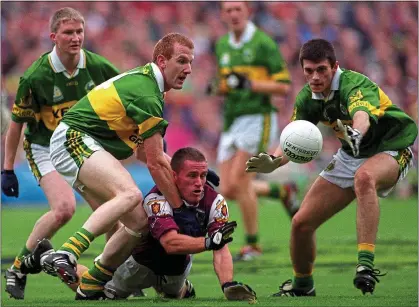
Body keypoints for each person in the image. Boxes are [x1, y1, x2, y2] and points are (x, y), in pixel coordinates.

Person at [245, 38, 418, 296]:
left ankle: (365, 265)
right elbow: (293, 139)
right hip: (350, 154)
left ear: (334, 66)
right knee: (301, 224)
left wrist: (357, 132)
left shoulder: (354, 84)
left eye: (321, 70)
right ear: (302, 69)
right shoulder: (307, 98)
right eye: (308, 71)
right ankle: (303, 285)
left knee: (364, 178)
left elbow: (361, 116)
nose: (315, 77)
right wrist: (275, 161)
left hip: (391, 147)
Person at [37, 32, 197, 299]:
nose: (188, 69)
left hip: (83, 143)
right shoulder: (148, 94)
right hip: (74, 138)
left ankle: (90, 283)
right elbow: (155, 163)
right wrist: (182, 210)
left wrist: (186, 174)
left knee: (138, 222)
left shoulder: (148, 86)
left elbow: (146, 155)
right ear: (162, 60)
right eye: (181, 61)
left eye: (190, 62)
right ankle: (68, 252)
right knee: (130, 194)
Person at [21, 148, 255, 301]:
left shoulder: (215, 202)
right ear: (173, 176)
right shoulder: (156, 199)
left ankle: (179, 287)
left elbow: (220, 245)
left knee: (178, 293)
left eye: (203, 176)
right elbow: (171, 243)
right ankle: (45, 256)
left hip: (176, 270)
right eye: (192, 176)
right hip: (138, 266)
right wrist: (207, 242)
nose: (199, 183)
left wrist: (227, 284)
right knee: (98, 294)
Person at [1, 7, 120, 300]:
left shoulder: (97, 66)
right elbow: (15, 126)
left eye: (79, 32)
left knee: (111, 213)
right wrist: (7, 169)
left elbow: (127, 93)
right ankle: (17, 268)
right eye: (68, 32)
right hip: (44, 148)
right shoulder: (36, 76)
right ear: (53, 36)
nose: (75, 37)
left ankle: (113, 277)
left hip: (79, 147)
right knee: (65, 208)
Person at [209, 1, 298, 261]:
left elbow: (283, 86)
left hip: (257, 119)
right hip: (232, 120)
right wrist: (220, 87)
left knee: (240, 181)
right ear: (222, 15)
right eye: (229, 10)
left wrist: (251, 84)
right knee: (227, 187)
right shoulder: (223, 45)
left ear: (248, 11)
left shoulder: (263, 43)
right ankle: (281, 192)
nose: (234, 14)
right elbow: (228, 83)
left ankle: (253, 246)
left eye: (238, 9)